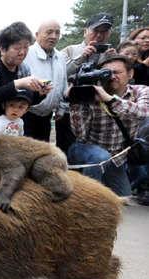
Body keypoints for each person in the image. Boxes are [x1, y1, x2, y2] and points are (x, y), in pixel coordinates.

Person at [68, 54, 149, 198]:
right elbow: (80, 135)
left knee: (124, 198)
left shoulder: (141, 91)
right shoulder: (91, 94)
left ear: (130, 74)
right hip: (86, 150)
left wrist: (108, 99)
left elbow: (143, 113)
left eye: (117, 72)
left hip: (116, 156)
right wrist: (77, 102)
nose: (111, 77)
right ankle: (89, 200)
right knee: (100, 156)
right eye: (106, 73)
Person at [23, 20, 67, 142]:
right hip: (26, 115)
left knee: (42, 153)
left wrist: (61, 107)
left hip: (46, 117)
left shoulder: (60, 57)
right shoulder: (26, 54)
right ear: (37, 35)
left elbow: (63, 83)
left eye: (57, 33)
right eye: (49, 32)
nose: (53, 36)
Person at [62, 13, 115, 77]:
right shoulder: (69, 51)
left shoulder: (112, 55)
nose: (99, 35)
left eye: (104, 32)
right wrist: (80, 58)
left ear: (110, 34)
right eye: (95, 30)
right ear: (85, 32)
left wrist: (114, 60)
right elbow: (59, 74)